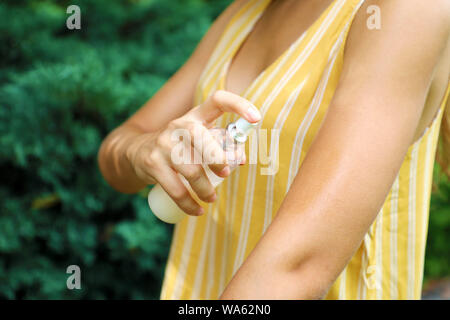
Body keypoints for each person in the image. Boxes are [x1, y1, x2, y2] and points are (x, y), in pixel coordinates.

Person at [98, 0, 450, 299]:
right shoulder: (250, 10)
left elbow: (298, 267)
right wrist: (143, 151)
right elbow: (117, 153)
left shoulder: (406, 10)